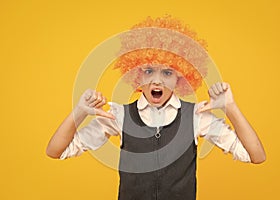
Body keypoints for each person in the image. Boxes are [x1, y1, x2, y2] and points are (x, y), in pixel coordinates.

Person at [46, 16, 265, 200]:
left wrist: (231, 108)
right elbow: (55, 151)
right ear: (136, 73)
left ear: (181, 76)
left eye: (167, 72)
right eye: (148, 71)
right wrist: (80, 111)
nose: (157, 82)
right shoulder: (119, 115)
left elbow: (256, 155)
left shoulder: (196, 116)